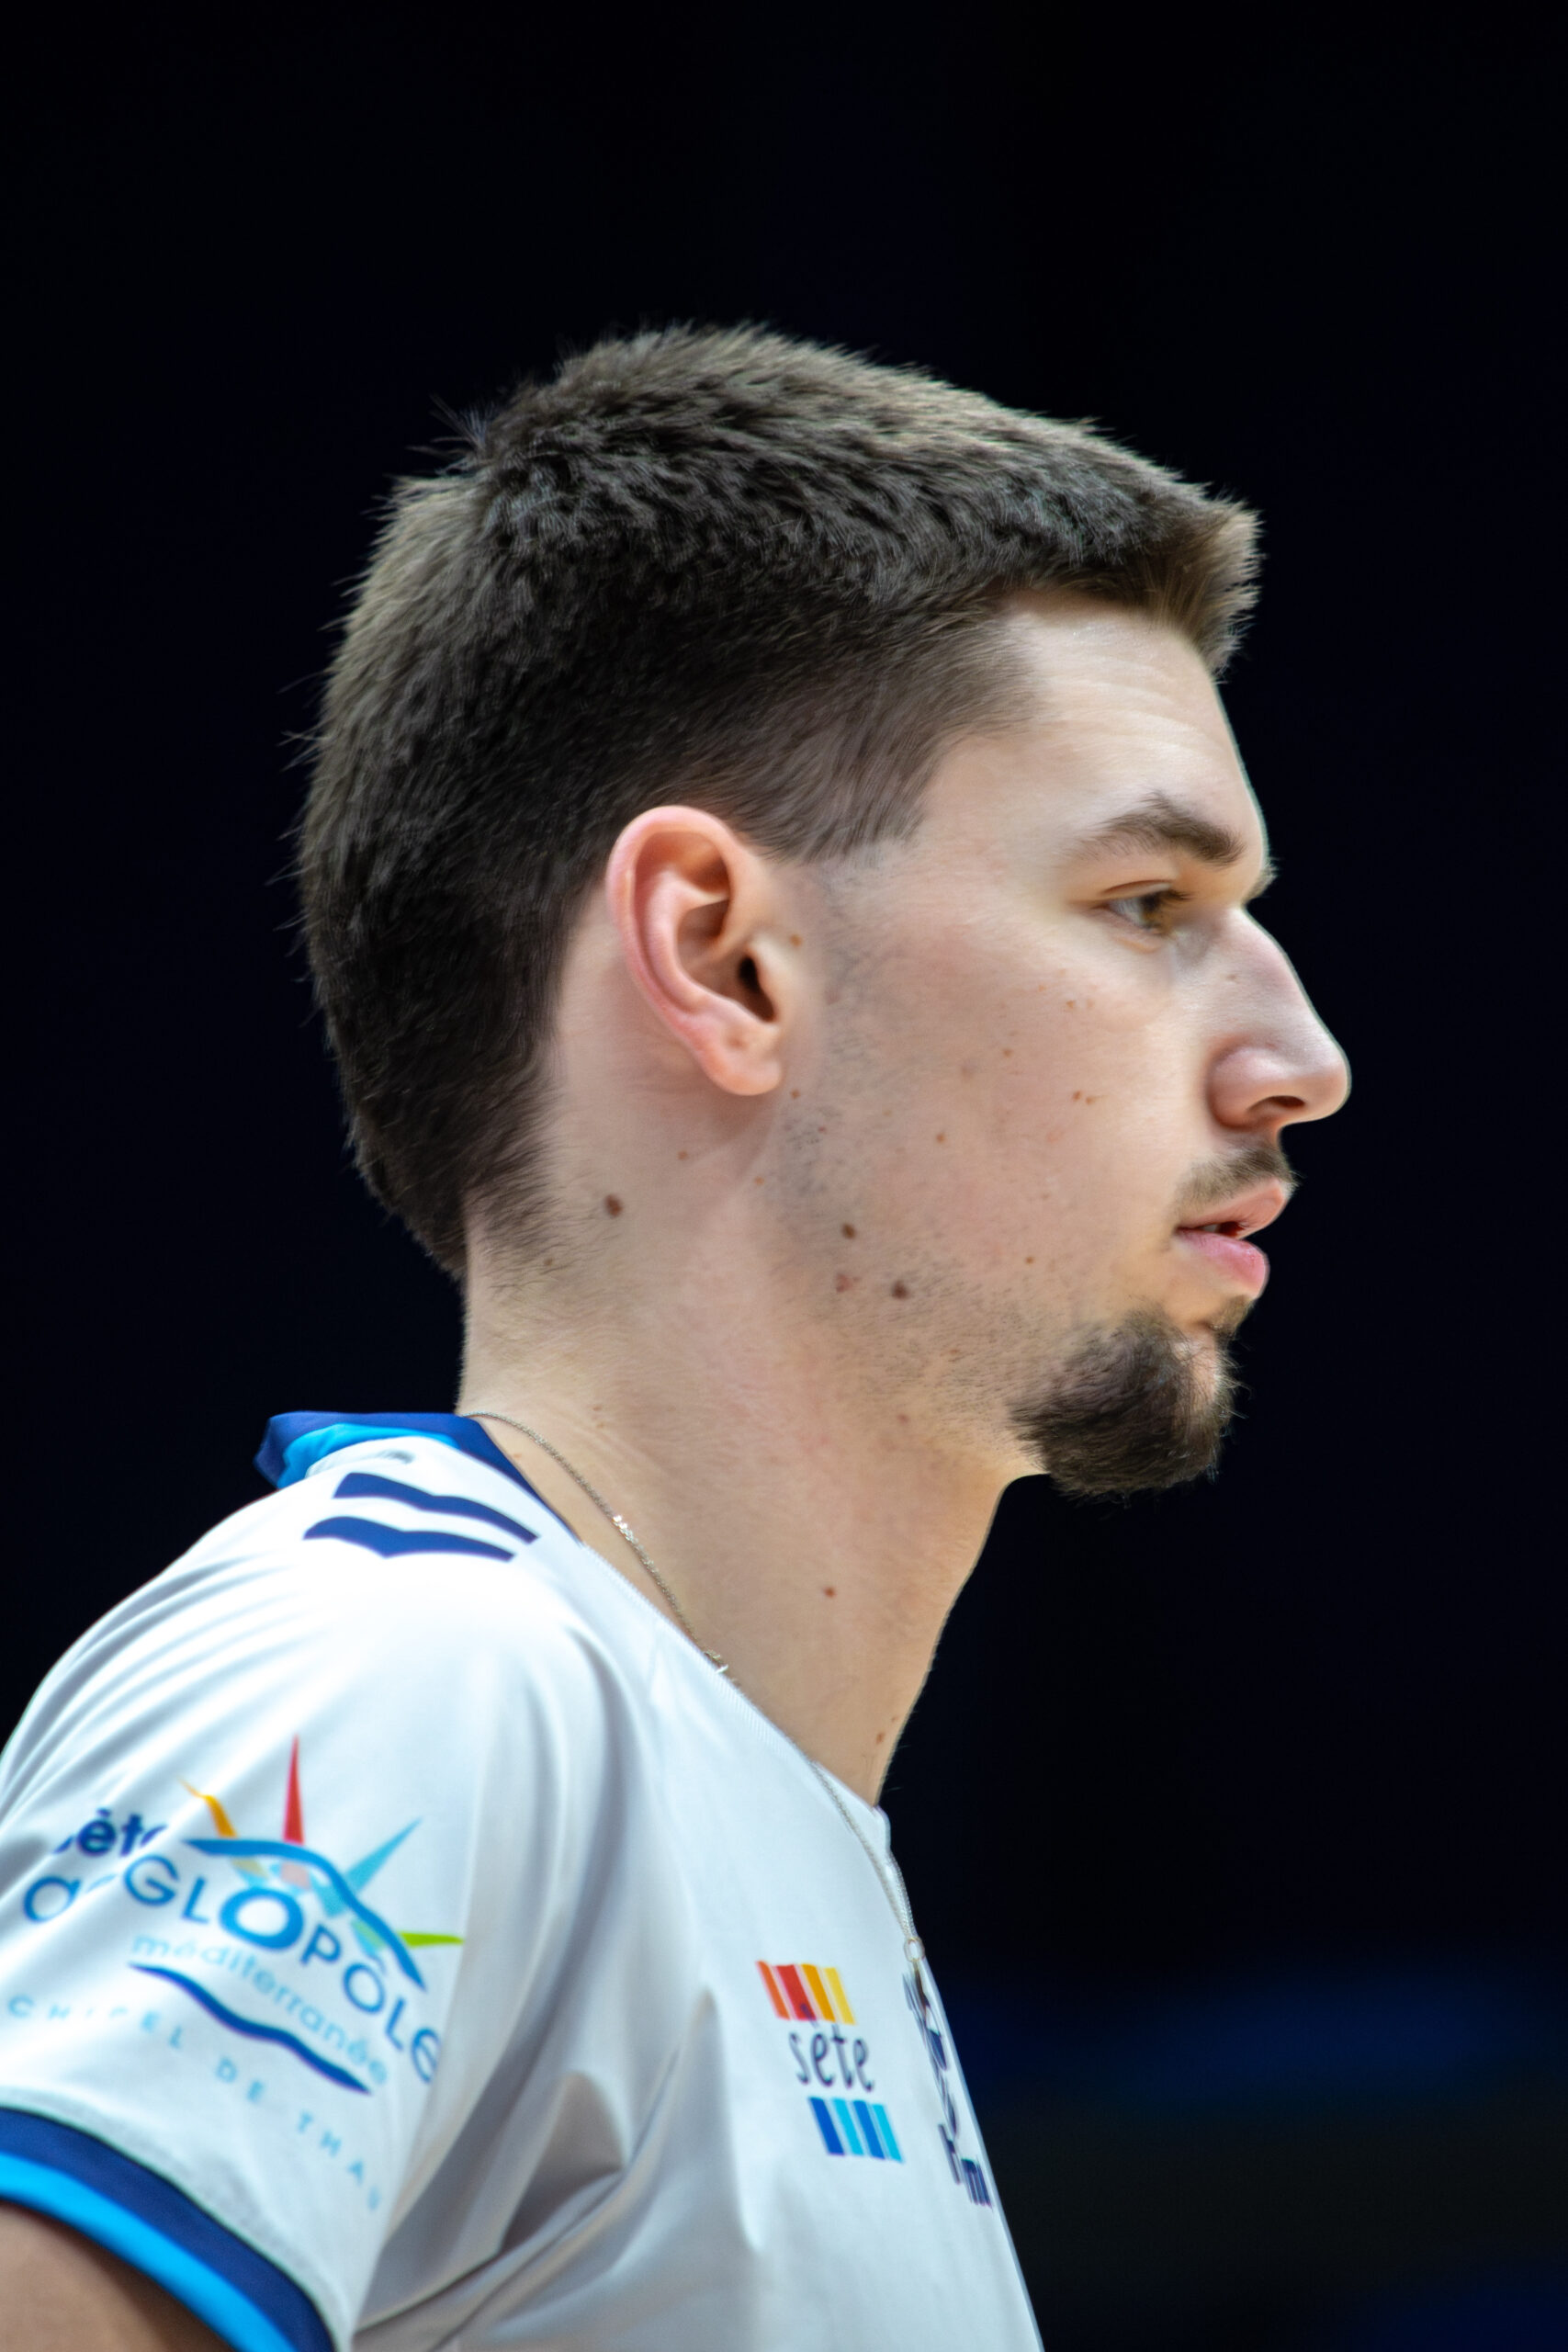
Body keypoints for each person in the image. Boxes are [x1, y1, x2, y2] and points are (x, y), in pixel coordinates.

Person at [0, 326, 1348, 2350]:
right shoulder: (411, 1684)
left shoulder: (705, 1783)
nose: (1298, 1057)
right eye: (1148, 901)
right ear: (722, 955)